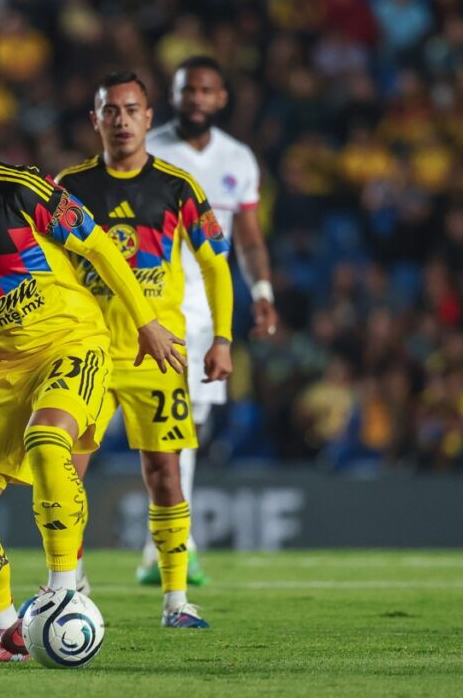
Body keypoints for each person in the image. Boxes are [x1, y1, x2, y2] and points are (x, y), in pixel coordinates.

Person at [0, 86, 184, 664]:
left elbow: (99, 247)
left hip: (70, 343)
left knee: (49, 441)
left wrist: (145, 322)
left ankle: (64, 590)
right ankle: (7, 633)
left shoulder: (19, 189)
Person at [57, 72, 234, 628]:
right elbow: (49, 267)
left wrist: (223, 338)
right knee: (65, 470)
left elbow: (214, 264)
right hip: (88, 352)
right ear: (96, 119)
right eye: (110, 111)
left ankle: (177, 601)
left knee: (166, 474)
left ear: (149, 117)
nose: (122, 120)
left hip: (158, 357)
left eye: (132, 109)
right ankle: (68, 583)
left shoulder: (178, 187)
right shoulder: (69, 187)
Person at [144, 55, 279, 585]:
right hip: (154, 300)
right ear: (174, 97)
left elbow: (247, 236)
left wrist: (262, 290)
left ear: (221, 98)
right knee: (160, 418)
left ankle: (168, 543)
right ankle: (172, 544)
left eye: (205, 90)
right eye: (187, 90)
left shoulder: (238, 159)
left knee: (190, 422)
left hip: (209, 305)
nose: (196, 98)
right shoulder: (148, 148)